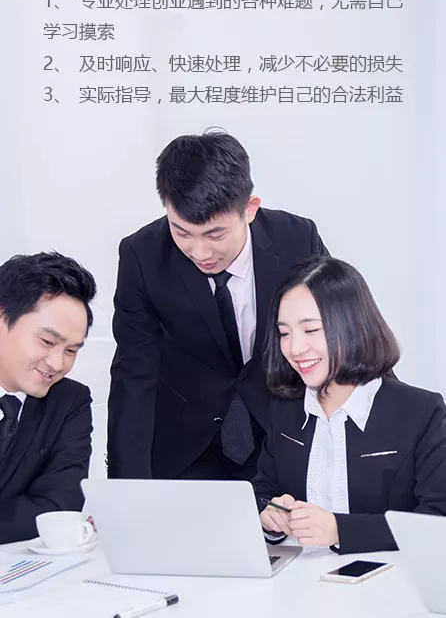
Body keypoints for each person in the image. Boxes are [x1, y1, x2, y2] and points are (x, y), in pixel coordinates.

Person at [107, 131, 327, 481]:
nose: (200, 252)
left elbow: (338, 336)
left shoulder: (297, 240)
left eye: (215, 235)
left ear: (250, 209)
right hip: (184, 445)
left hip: (280, 433)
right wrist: (125, 487)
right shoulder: (142, 255)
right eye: (182, 233)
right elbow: (133, 373)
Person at [253, 256, 446, 554]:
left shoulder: (421, 412)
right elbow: (263, 490)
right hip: (298, 577)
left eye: (311, 330)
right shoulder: (285, 408)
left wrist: (339, 530)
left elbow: (437, 520)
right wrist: (271, 515)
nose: (295, 348)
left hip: (389, 577)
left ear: (352, 326)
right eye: (284, 333)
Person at [0, 251, 96, 544]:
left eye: (71, 351)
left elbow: (58, 508)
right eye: (47, 341)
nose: (57, 363)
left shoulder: (70, 402)